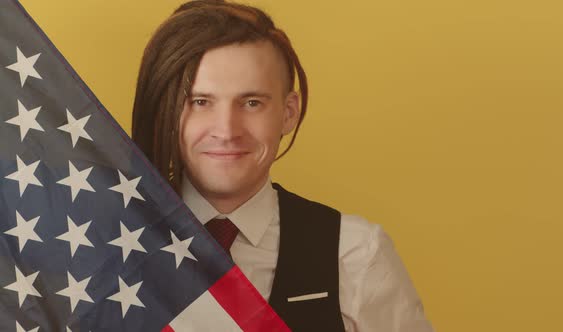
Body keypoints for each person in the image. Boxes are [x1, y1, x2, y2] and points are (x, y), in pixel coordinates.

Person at [131, 1, 434, 331]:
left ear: (288, 112)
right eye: (200, 102)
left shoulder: (355, 253)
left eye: (252, 103)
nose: (227, 130)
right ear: (168, 111)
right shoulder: (111, 245)